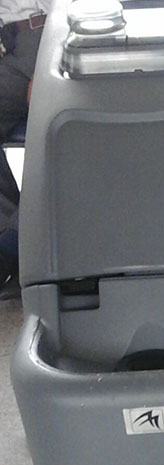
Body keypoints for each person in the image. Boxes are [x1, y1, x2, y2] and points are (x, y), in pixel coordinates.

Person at [0, 0, 50, 290]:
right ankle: (9, 242)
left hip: (50, 37)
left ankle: (15, 244)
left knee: (55, 131)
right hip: (8, 46)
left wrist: (46, 60)